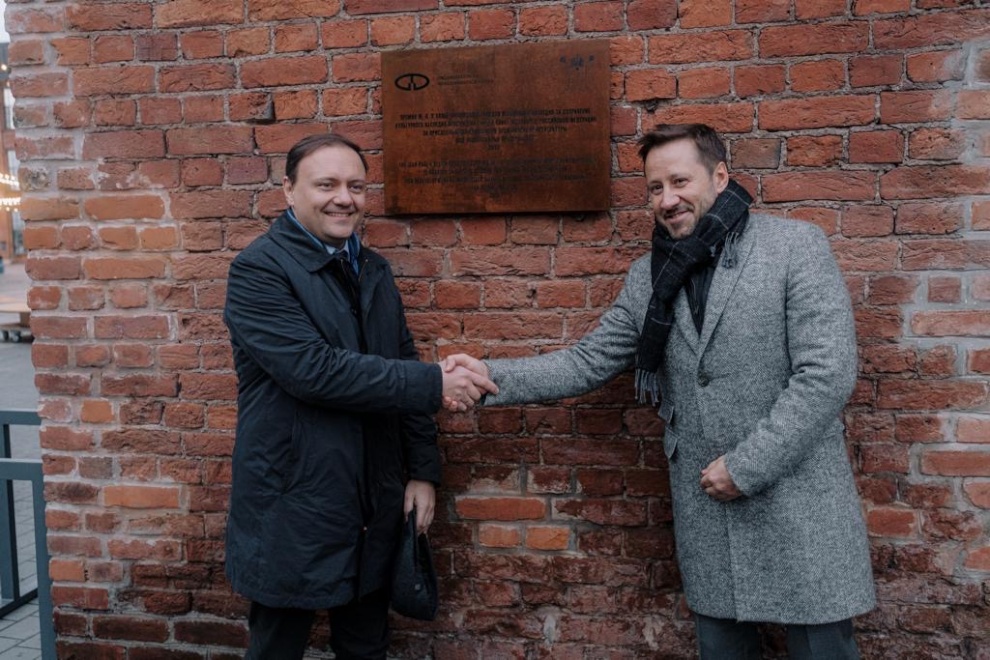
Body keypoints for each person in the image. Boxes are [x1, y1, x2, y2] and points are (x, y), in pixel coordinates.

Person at [444, 124, 875, 659]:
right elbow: (588, 361)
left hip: (798, 502)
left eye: (679, 181)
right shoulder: (650, 277)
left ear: (720, 177)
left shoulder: (794, 247)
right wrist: (488, 375)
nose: (666, 200)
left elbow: (826, 374)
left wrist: (746, 467)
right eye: (654, 187)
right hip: (709, 510)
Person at [223, 133, 497, 659]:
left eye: (356, 186)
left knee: (367, 647)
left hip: (374, 500)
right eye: (326, 185)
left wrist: (422, 470)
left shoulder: (373, 269)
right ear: (289, 190)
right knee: (278, 648)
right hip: (293, 504)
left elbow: (401, 362)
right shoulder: (258, 270)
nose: (343, 199)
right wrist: (435, 384)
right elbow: (315, 371)